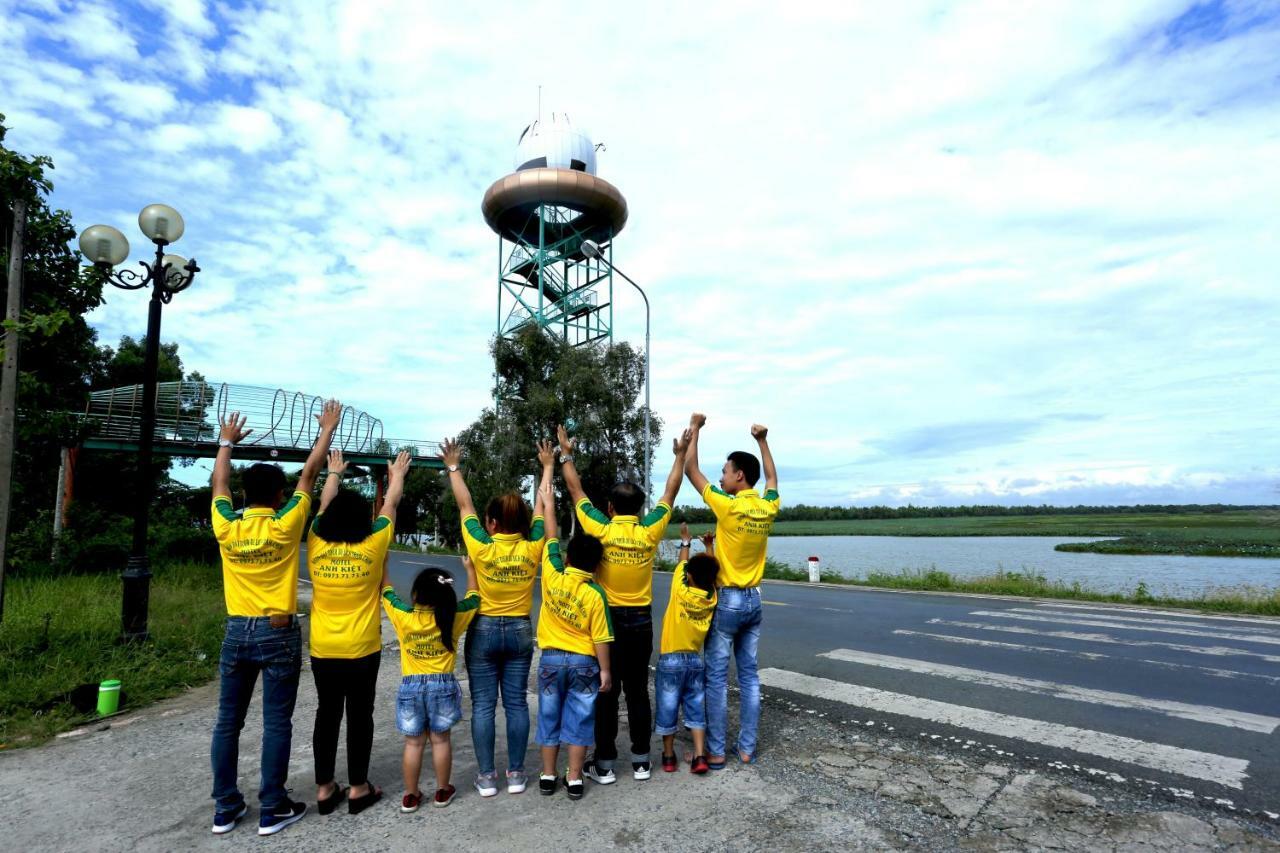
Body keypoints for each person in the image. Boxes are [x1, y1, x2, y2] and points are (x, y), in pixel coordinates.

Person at [208, 400, 340, 836]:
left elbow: (218, 486)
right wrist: (325, 430)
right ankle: (272, 806)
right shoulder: (285, 524)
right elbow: (309, 475)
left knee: (229, 721)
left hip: (235, 629)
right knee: (276, 721)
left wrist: (226, 442)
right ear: (280, 496)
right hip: (278, 630)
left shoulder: (228, 525)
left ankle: (225, 808)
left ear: (244, 496)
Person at [556, 423, 690, 784]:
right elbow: (671, 491)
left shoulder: (601, 527)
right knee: (636, 692)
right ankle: (642, 761)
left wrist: (565, 452)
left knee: (606, 690)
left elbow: (574, 489)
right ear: (640, 507)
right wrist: (679, 457)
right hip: (641, 622)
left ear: (611, 507)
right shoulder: (650, 530)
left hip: (608, 623)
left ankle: (604, 764)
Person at [306, 448, 412, 816]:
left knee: (327, 713)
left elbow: (322, 504)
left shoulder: (316, 542)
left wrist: (333, 472)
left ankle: (323, 789)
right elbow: (391, 505)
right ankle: (357, 788)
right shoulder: (374, 543)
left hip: (323, 647)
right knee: (359, 716)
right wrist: (396, 474)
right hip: (363, 647)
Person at [441, 437, 546, 797]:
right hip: (519, 629)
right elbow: (543, 511)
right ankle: (516, 774)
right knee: (516, 702)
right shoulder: (534, 545)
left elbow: (464, 502)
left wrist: (453, 466)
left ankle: (487, 778)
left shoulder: (482, 546)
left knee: (483, 705)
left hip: (483, 629)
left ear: (494, 523)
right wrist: (547, 466)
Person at [684, 415, 779, 769]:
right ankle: (747, 749)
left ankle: (718, 751)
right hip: (755, 599)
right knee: (751, 677)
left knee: (717, 680)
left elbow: (692, 470)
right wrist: (763, 440)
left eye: (725, 471)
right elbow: (771, 479)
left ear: (739, 476)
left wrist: (695, 428)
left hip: (728, 602)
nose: (721, 476)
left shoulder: (728, 505)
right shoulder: (767, 507)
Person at [532, 441, 613, 801]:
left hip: (550, 659)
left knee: (549, 716)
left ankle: (548, 775)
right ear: (596, 565)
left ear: (568, 556)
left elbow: (550, 534)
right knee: (580, 720)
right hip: (583, 662)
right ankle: (575, 777)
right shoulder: (596, 594)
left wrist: (548, 502)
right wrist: (606, 672)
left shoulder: (552, 574)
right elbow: (601, 639)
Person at [381, 561, 481, 813]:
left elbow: (387, 592)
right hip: (443, 685)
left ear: (416, 594)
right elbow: (474, 598)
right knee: (440, 741)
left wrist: (384, 562)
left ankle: (411, 795)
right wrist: (470, 570)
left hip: (410, 686)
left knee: (413, 744)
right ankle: (442, 790)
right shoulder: (454, 617)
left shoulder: (404, 616)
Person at [655, 523, 718, 774]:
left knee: (667, 707)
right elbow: (711, 574)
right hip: (695, 661)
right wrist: (710, 547)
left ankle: (669, 757)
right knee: (695, 706)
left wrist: (686, 542)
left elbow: (683, 565)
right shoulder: (711, 597)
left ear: (689, 577)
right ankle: (700, 756)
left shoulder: (680, 591)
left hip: (670, 660)